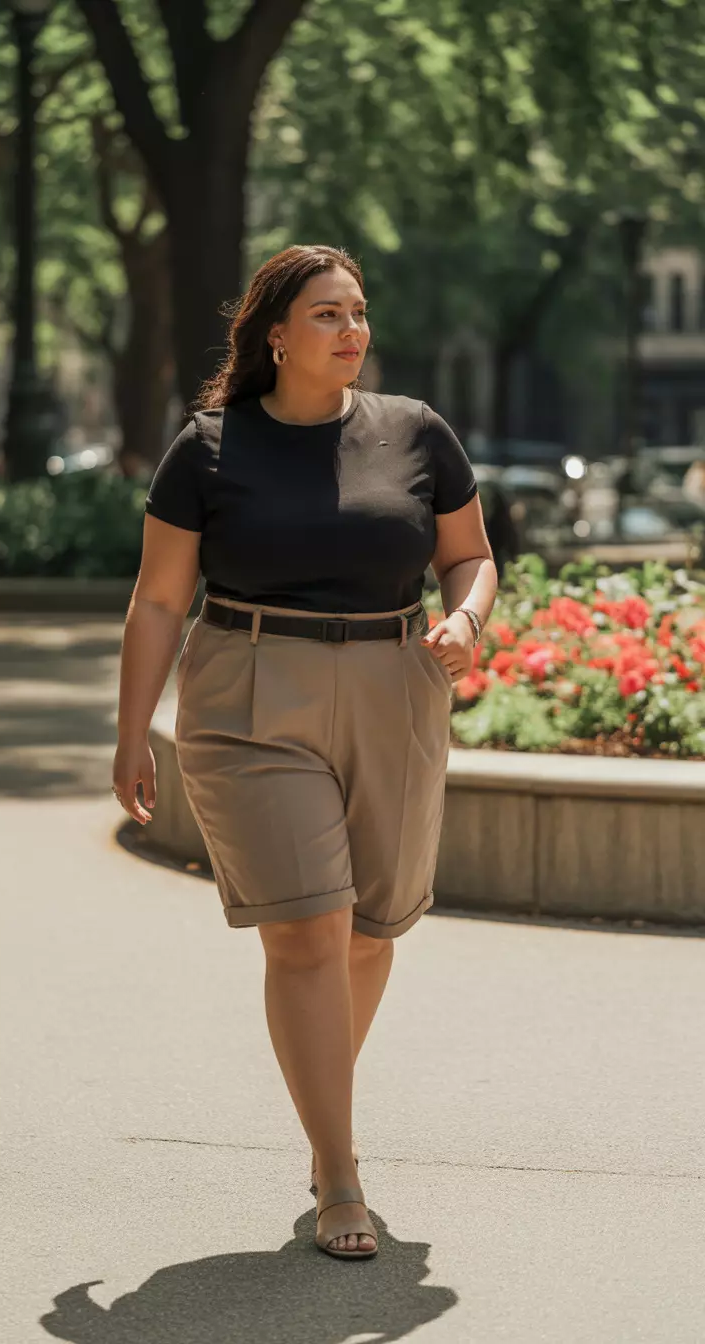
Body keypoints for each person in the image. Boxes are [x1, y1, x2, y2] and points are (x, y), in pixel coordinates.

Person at [112, 244, 497, 1261]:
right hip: (250, 692)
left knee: (372, 929)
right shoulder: (208, 450)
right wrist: (127, 733)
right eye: (327, 314)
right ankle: (338, 1171)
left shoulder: (416, 432)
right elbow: (157, 600)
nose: (351, 331)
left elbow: (470, 555)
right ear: (274, 334)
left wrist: (467, 619)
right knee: (309, 931)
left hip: (393, 687)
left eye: (359, 312)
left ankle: (319, 1099)